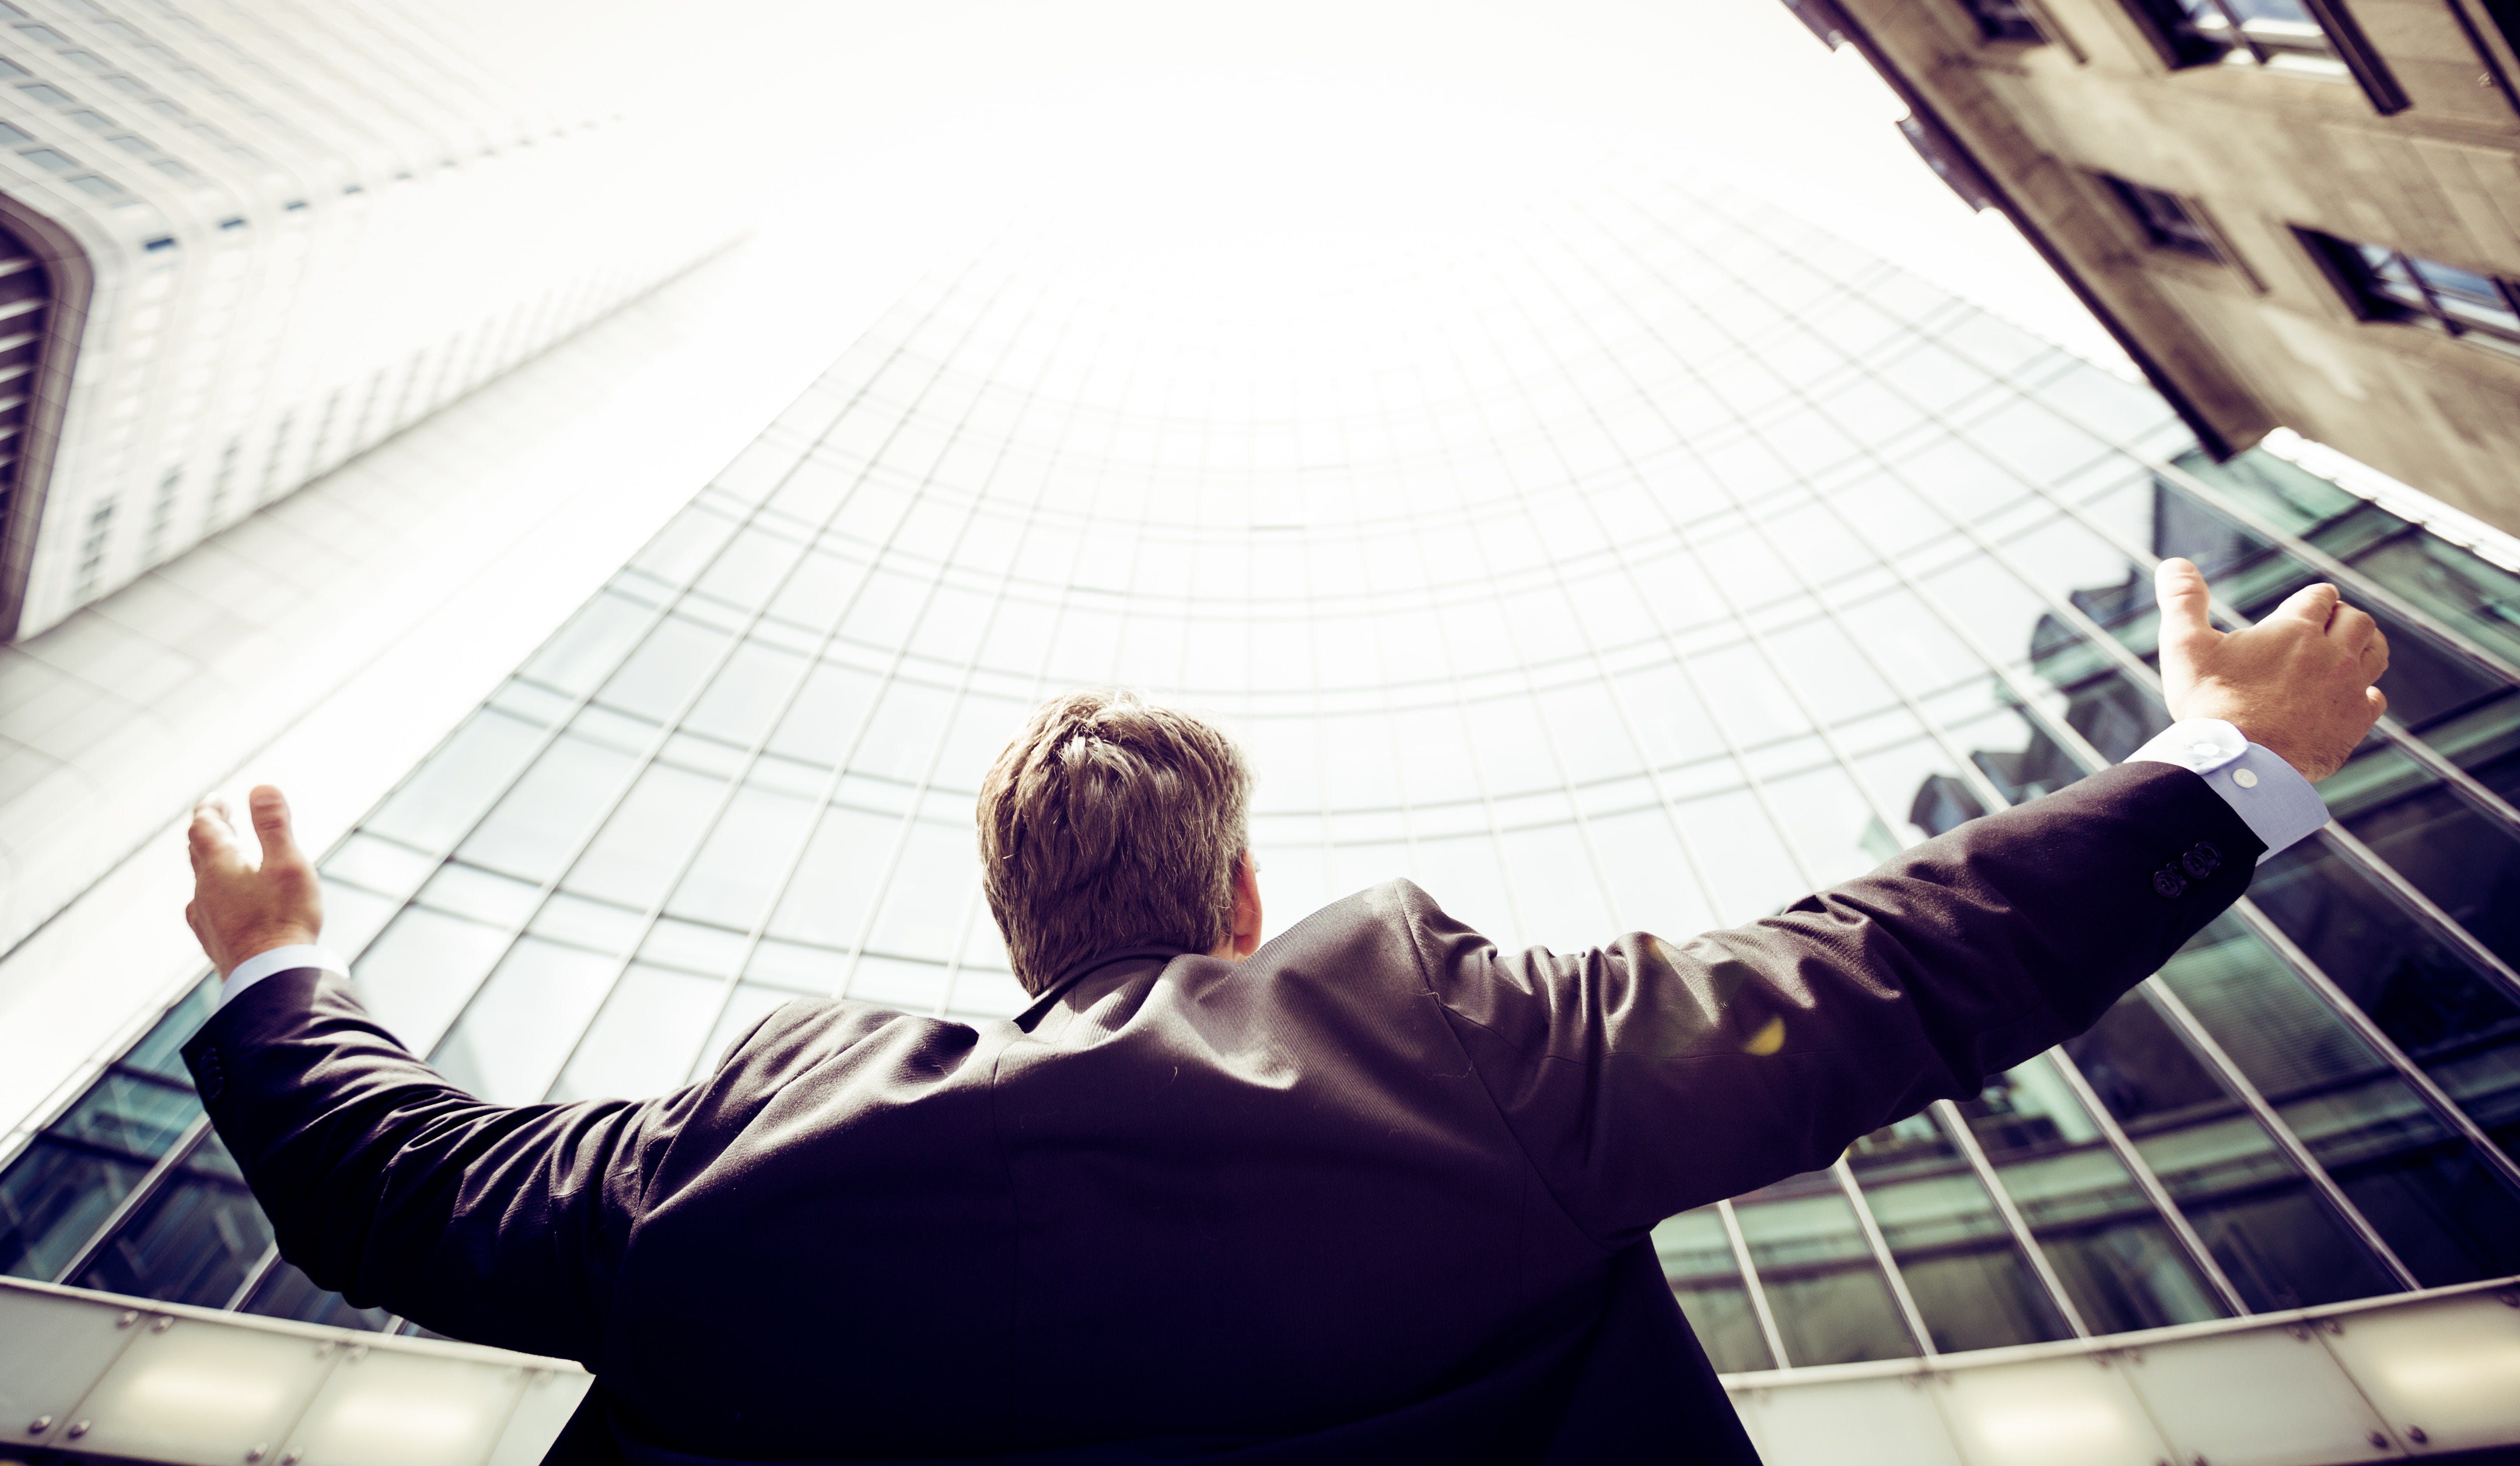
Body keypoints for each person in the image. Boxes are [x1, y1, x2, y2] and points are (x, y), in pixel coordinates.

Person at [178, 558, 2386, 1465]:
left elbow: (387, 1187)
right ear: (1242, 899)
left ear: (1016, 931)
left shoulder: (736, 1158)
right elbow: (1878, 973)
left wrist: (282, 958)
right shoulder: (1434, 1035)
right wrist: (2219, 766)